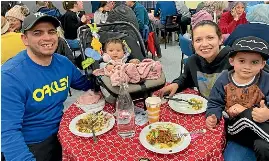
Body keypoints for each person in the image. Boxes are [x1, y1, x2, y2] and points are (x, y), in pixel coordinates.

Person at [1, 12, 95, 161]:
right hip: (32, 145)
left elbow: (86, 83)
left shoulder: (63, 63)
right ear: (24, 39)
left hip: (63, 132)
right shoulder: (10, 76)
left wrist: (103, 68)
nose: (47, 37)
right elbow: (7, 133)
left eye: (51, 32)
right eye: (37, 33)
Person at [206, 36, 269, 161]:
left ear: (263, 64)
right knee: (247, 116)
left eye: (254, 62)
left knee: (263, 147)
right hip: (235, 128)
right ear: (232, 61)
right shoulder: (224, 79)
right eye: (241, 61)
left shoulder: (266, 80)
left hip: (260, 131)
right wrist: (213, 115)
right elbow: (214, 102)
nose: (247, 66)